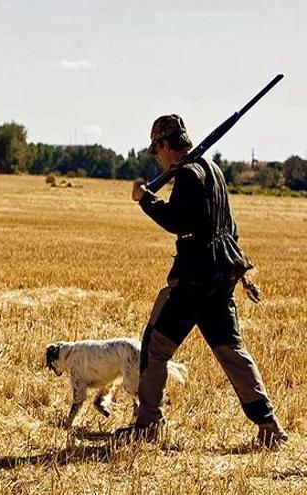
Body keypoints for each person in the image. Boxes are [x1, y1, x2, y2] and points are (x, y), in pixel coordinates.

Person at [114, 115, 287, 447]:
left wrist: (146, 201)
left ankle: (148, 423)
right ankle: (269, 427)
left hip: (194, 280)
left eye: (157, 150)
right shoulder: (213, 172)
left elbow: (179, 221)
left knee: (155, 345)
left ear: (165, 145)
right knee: (231, 351)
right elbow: (228, 228)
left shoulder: (189, 175)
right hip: (221, 278)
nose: (158, 157)